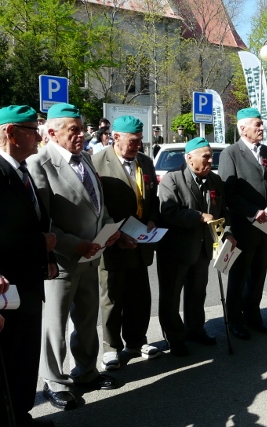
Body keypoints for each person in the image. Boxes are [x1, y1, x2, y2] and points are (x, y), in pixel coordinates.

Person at [27, 103, 121, 411]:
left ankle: (86, 371)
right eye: (74, 130)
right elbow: (42, 221)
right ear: (52, 133)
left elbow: (98, 204)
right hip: (62, 260)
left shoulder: (86, 159)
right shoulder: (39, 164)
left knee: (86, 318)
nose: (81, 134)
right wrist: (74, 245)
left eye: (82, 129)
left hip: (91, 255)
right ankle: (54, 381)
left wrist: (108, 228)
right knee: (55, 325)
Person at [0, 105, 58, 427]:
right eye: (33, 131)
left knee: (25, 357)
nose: (39, 137)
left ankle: (21, 414)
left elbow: (36, 220)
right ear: (11, 133)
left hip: (30, 284)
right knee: (9, 359)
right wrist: (40, 244)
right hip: (8, 289)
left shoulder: (23, 171)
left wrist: (48, 257)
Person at [92, 116, 160, 369]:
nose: (137, 146)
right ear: (116, 137)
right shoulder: (97, 162)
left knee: (139, 296)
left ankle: (136, 340)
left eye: (140, 140)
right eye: (133, 141)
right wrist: (119, 234)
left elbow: (153, 199)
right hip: (114, 242)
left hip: (141, 242)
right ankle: (111, 347)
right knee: (112, 298)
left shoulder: (146, 162)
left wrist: (152, 220)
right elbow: (96, 207)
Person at [157, 137, 235, 355]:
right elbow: (168, 212)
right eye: (206, 156)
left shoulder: (214, 180)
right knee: (171, 296)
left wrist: (227, 232)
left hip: (203, 249)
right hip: (176, 250)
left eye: (211, 157)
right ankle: (175, 337)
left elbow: (223, 210)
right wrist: (199, 216)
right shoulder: (172, 179)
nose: (211, 161)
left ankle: (195, 329)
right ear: (189, 158)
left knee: (197, 292)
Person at [218, 108, 267, 339]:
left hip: (266, 226)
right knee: (239, 276)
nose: (262, 128)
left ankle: (253, 314)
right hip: (244, 226)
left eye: (262, 124)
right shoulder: (231, 153)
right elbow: (228, 193)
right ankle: (234, 319)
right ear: (242, 128)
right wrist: (253, 212)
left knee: (258, 275)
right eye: (257, 124)